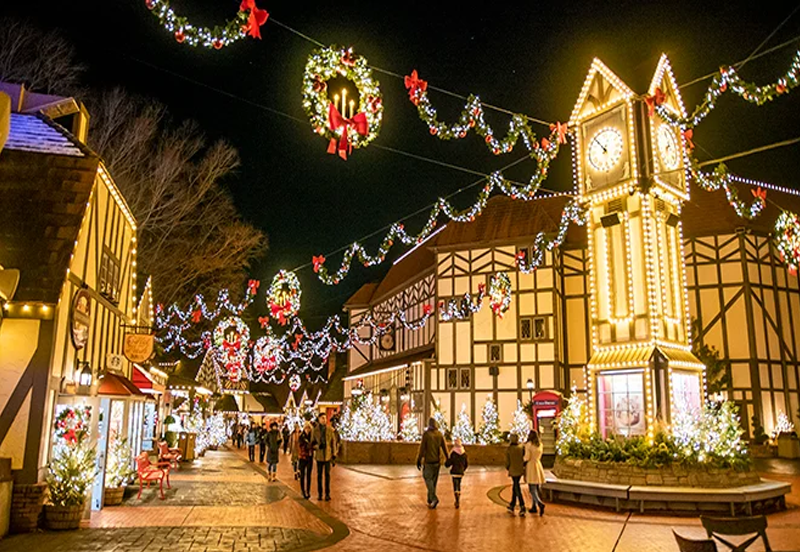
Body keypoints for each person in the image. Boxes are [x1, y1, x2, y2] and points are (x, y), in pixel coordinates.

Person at [416, 417, 448, 509]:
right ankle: (430, 499)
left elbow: (422, 448)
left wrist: (418, 459)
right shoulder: (439, 434)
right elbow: (445, 448)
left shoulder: (426, 435)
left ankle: (434, 498)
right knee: (433, 482)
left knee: (427, 478)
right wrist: (448, 458)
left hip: (429, 461)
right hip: (437, 462)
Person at [311, 413, 338, 501]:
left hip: (327, 456)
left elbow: (333, 442)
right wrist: (317, 446)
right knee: (319, 476)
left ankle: (327, 494)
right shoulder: (315, 430)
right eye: (322, 418)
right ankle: (320, 494)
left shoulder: (329, 430)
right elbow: (312, 443)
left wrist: (334, 455)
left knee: (327, 476)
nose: (324, 420)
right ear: (319, 419)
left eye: (325, 418)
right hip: (319, 456)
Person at [523, 430, 546, 516]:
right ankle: (533, 506)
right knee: (536, 487)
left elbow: (527, 457)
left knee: (532, 489)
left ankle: (539, 503)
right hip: (538, 465)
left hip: (531, 466)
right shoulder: (540, 444)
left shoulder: (529, 445)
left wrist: (522, 460)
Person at [505, 433, 526, 516]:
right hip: (520, 469)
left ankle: (522, 505)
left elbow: (507, 462)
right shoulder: (521, 448)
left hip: (513, 470)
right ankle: (512, 504)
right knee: (515, 486)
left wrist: (508, 467)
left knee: (517, 487)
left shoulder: (509, 449)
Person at [444, 437, 468, 509]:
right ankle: (458, 496)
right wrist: (463, 469)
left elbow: (449, 462)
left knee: (455, 484)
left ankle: (456, 497)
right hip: (460, 472)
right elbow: (466, 464)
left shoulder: (453, 453)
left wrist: (446, 464)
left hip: (454, 471)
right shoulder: (464, 454)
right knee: (459, 484)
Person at [298, 422, 314, 498]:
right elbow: (300, 446)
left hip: (310, 457)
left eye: (309, 428)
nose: (307, 429)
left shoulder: (312, 437)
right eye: (306, 428)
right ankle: (303, 491)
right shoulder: (301, 436)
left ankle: (308, 490)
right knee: (302, 475)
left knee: (309, 475)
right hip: (303, 457)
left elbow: (314, 444)